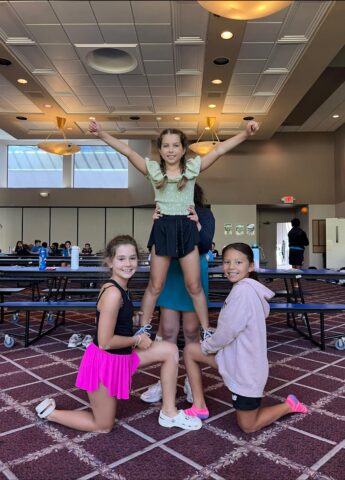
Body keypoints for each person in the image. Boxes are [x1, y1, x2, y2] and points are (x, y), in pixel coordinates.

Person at [89, 119, 259, 340]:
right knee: (156, 284)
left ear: (183, 149)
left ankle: (206, 329)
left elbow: (219, 150)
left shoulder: (191, 169)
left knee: (194, 285)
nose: (171, 150)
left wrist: (245, 133)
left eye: (175, 145)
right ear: (160, 149)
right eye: (166, 145)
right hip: (163, 227)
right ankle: (145, 327)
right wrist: (102, 134)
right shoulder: (154, 171)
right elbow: (129, 152)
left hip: (186, 228)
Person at [35, 235, 201, 433]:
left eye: (132, 258)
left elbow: (104, 321)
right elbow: (105, 342)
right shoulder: (113, 293)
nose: (128, 264)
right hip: (104, 363)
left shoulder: (121, 288)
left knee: (170, 350)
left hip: (123, 357)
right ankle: (50, 413)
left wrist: (131, 321)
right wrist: (138, 339)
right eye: (121, 259)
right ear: (110, 261)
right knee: (103, 425)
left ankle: (169, 413)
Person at [183, 243, 308, 433]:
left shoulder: (242, 292)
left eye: (238, 262)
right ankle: (199, 405)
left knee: (248, 426)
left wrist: (207, 346)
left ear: (250, 266)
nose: (231, 267)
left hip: (245, 370)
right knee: (190, 351)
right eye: (227, 262)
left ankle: (290, 405)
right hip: (233, 358)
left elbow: (226, 333)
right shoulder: (246, 288)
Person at [141, 183, 215, 403]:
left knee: (192, 332)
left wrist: (198, 225)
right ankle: (165, 382)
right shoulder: (164, 211)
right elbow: (154, 245)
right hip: (170, 271)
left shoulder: (204, 213)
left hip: (192, 270)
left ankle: (191, 381)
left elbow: (205, 245)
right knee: (169, 331)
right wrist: (156, 222)